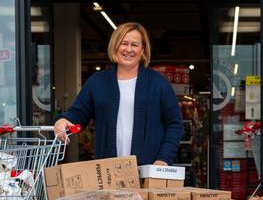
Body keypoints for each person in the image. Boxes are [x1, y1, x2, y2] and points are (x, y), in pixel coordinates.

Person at [53, 22, 183, 165]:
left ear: (143, 49)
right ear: (115, 46)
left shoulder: (158, 83)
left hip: (148, 170)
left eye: (134, 45)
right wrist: (62, 120)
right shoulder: (97, 82)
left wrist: (163, 159)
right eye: (123, 43)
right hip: (108, 170)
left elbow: (174, 124)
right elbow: (78, 113)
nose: (129, 49)